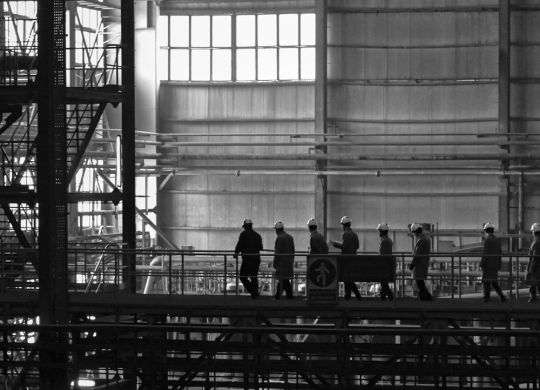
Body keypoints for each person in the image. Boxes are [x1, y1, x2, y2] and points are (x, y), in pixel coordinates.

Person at [331, 216, 361, 300]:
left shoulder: (345, 234)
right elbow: (357, 246)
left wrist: (335, 243)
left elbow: (344, 247)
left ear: (343, 225)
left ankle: (353, 296)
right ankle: (350, 296)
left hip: (346, 260)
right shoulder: (354, 234)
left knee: (347, 279)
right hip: (353, 259)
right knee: (349, 279)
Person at [234, 218, 263, 298]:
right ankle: (255, 294)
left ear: (245, 226)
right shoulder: (258, 235)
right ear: (251, 226)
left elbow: (239, 245)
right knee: (254, 276)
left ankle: (252, 290)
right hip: (256, 259)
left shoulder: (243, 234)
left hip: (247, 259)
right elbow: (261, 248)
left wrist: (236, 253)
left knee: (243, 276)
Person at [480, 222, 506, 303]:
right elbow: (499, 253)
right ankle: (502, 297)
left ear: (486, 231)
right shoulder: (497, 240)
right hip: (495, 265)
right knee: (494, 282)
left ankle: (486, 298)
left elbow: (485, 253)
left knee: (486, 282)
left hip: (487, 266)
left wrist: (482, 263)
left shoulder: (487, 240)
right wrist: (499, 264)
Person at [409, 223, 433, 301]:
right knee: (420, 282)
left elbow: (417, 254)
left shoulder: (421, 240)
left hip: (419, 265)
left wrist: (412, 263)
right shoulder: (426, 239)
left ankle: (425, 298)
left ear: (415, 232)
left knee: (419, 282)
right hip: (423, 263)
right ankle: (427, 297)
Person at [273, 221, 295, 299]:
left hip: (282, 263)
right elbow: (293, 250)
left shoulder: (279, 238)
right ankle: (287, 296)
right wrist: (292, 260)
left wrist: (275, 263)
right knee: (284, 280)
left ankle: (279, 296)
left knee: (282, 279)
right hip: (289, 261)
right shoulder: (290, 237)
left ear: (276, 230)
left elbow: (277, 252)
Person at [377, 223, 394, 301]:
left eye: (379, 231)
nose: (379, 233)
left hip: (384, 265)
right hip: (387, 264)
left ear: (382, 231)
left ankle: (390, 298)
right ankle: (383, 298)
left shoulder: (385, 241)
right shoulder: (388, 240)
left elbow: (382, 255)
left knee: (383, 282)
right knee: (384, 283)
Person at [526, 223, 540, 303]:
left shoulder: (536, 242)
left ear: (534, 232)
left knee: (532, 281)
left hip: (537, 267)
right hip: (538, 266)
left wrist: (531, 268)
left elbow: (535, 257)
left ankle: (533, 298)